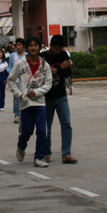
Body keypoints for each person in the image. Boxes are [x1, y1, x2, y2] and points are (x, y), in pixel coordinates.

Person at [8, 36, 52, 168]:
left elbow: (48, 83)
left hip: (40, 103)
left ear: (40, 47)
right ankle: (21, 146)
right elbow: (11, 80)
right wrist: (20, 95)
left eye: (35, 45)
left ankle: (39, 157)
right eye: (31, 45)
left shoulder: (44, 65)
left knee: (42, 131)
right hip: (25, 103)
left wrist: (37, 92)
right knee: (27, 132)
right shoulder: (19, 64)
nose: (33, 48)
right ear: (26, 48)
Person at [41, 34, 78, 164]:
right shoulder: (43, 57)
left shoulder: (63, 55)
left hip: (61, 96)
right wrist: (59, 68)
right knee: (46, 127)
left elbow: (68, 72)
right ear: (50, 45)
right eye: (56, 49)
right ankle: (46, 152)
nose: (58, 51)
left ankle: (66, 154)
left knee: (66, 124)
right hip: (46, 97)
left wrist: (56, 70)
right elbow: (40, 74)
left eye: (60, 49)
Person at [8, 38, 27, 124]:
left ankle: (25, 113)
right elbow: (10, 67)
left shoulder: (27, 55)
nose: (18, 47)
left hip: (26, 80)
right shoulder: (12, 55)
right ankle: (17, 115)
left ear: (23, 46)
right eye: (17, 45)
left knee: (25, 97)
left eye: (20, 45)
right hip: (16, 80)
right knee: (16, 98)